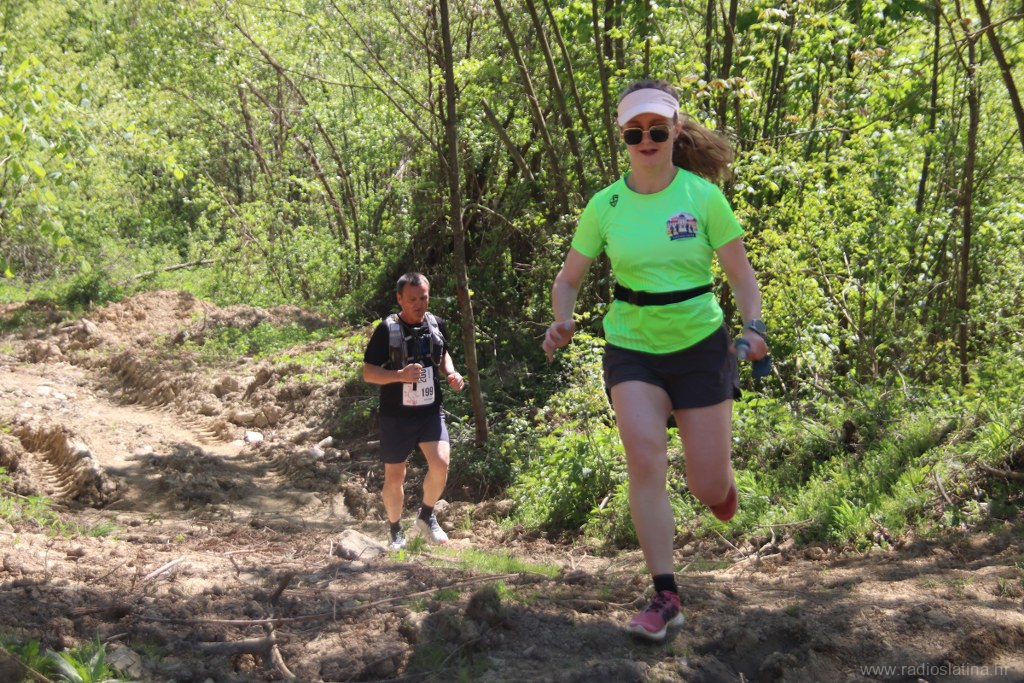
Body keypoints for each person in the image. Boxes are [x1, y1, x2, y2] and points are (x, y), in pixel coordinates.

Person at [542, 79, 769, 642]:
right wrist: (562, 319)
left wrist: (754, 327)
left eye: (657, 130)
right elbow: (568, 279)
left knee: (707, 486)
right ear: (622, 136)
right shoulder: (605, 205)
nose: (646, 140)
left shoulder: (703, 197)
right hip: (633, 347)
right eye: (634, 132)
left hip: (700, 346)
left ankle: (719, 488)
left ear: (674, 130)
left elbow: (741, 275)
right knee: (644, 459)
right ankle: (666, 596)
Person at [363, 272, 466, 550]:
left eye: (423, 298)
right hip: (396, 415)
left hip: (429, 411)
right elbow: (368, 373)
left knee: (441, 463)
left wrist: (451, 373)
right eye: (412, 299)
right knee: (396, 476)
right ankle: (395, 529)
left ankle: (426, 516)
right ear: (399, 299)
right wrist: (399, 375)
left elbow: (442, 353)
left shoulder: (435, 324)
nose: (419, 304)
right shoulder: (387, 329)